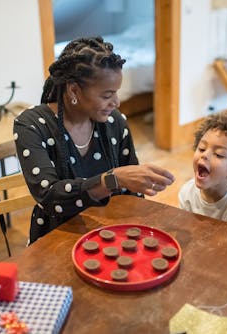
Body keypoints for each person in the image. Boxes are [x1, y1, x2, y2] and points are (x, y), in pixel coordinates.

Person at [13, 36, 175, 244]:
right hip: (57, 238)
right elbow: (50, 197)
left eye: (116, 93)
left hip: (111, 233)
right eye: (107, 95)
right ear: (74, 90)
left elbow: (130, 194)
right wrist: (112, 178)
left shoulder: (114, 122)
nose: (116, 102)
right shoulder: (32, 125)